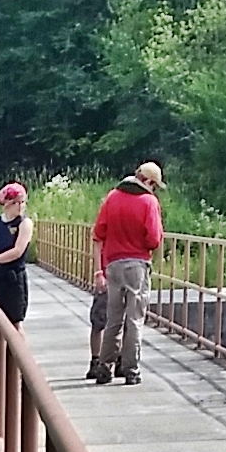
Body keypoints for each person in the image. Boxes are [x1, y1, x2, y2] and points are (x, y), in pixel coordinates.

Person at [91, 162, 164, 384]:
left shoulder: (112, 197)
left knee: (114, 318)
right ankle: (131, 370)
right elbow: (153, 239)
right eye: (156, 186)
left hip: (113, 265)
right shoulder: (148, 202)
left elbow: (99, 232)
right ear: (149, 182)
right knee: (134, 319)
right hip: (137, 266)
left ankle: (104, 367)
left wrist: (99, 268)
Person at [0, 182, 34, 326]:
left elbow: (17, 251)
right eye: (15, 202)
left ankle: (19, 348)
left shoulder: (24, 223)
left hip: (13, 279)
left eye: (22, 202)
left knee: (15, 324)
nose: (20, 206)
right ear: (6, 204)